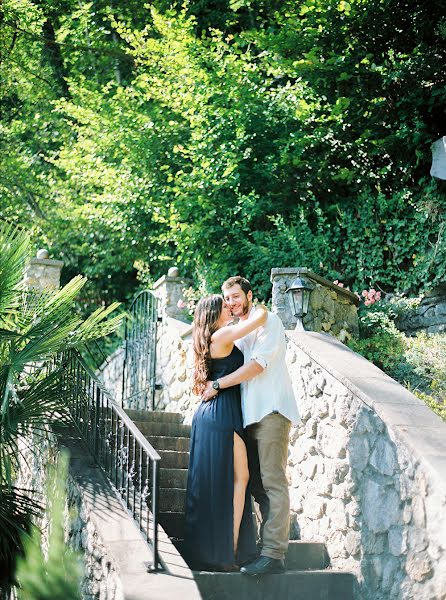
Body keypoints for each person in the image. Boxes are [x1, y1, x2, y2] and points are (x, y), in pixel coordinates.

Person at [201, 276, 300, 576]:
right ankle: (260, 548)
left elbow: (257, 366)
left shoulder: (269, 323)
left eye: (235, 296)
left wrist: (217, 384)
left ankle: (273, 554)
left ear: (249, 295)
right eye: (227, 298)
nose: (231, 302)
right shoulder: (235, 331)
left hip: (271, 411)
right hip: (246, 417)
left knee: (272, 481)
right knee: (256, 486)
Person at [184, 294, 268, 571]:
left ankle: (222, 550)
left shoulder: (209, 340)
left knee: (222, 483)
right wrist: (253, 303)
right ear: (214, 313)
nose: (229, 308)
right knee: (240, 478)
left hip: (214, 414)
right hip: (220, 415)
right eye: (225, 305)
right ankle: (228, 552)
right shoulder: (221, 335)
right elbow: (261, 318)